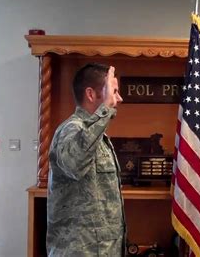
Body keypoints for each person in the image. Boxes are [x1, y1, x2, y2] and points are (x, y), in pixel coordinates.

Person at [46, 63, 126, 256]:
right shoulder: (71, 129)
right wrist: (105, 109)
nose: (119, 99)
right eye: (113, 92)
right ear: (91, 95)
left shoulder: (94, 133)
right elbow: (75, 164)